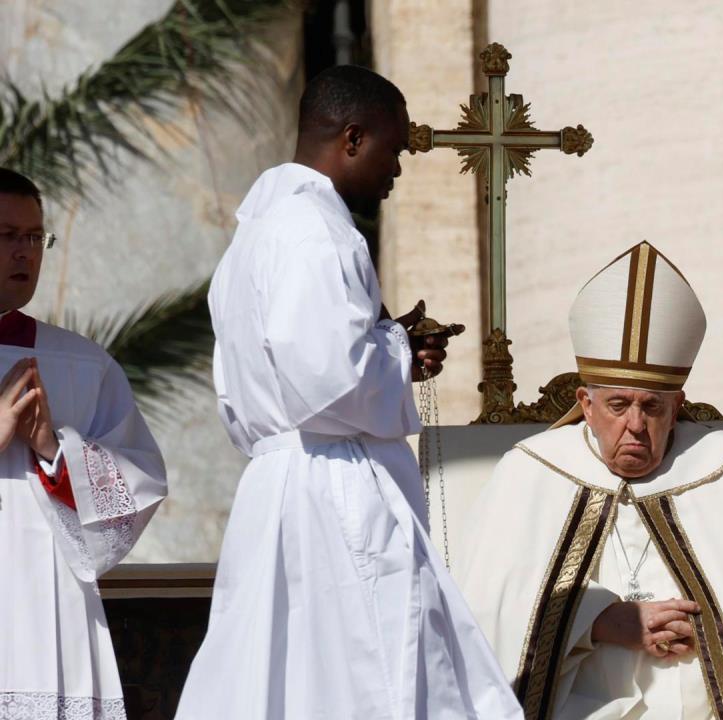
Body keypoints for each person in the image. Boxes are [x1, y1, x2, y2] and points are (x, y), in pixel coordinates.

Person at [176, 66, 520, 719]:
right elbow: (325, 383)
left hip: (285, 486)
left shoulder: (256, 237)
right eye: (393, 151)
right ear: (353, 139)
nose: (398, 169)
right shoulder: (316, 230)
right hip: (330, 490)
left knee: (284, 681)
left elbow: (303, 362)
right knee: (371, 679)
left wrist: (391, 342)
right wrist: (392, 349)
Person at [454, 242, 723, 719]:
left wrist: (719, 628)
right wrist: (597, 622)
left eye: (652, 406)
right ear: (586, 406)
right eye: (617, 405)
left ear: (676, 408)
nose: (635, 424)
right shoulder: (530, 471)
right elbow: (481, 616)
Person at [0, 167, 167, 718]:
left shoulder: (82, 364)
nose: (25, 253)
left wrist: (54, 450)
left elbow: (137, 488)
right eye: (6, 236)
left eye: (34, 237)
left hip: (48, 603)